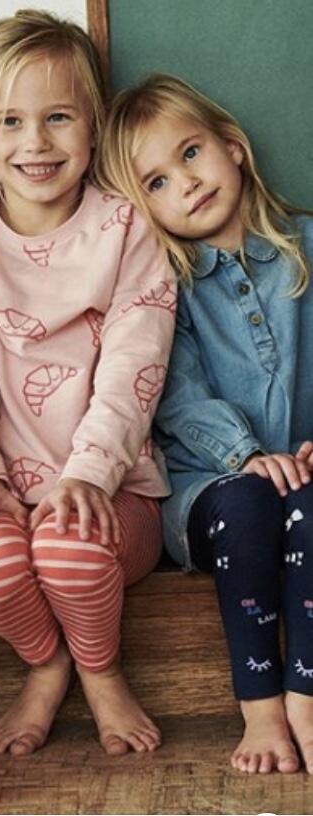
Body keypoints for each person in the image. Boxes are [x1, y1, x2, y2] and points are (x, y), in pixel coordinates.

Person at [0, 9, 176, 758]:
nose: (35, 142)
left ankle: (98, 669)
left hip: (115, 488)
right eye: (11, 121)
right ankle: (45, 662)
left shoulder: (124, 226)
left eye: (58, 117)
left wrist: (88, 475)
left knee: (69, 550)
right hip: (0, 485)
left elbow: (134, 363)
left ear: (94, 124)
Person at [99, 73, 313, 775]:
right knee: (249, 504)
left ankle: (306, 698)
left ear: (232, 146)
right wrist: (244, 453)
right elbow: (174, 394)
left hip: (306, 477)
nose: (185, 183)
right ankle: (260, 707)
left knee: (311, 508)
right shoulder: (165, 287)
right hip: (209, 489)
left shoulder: (307, 247)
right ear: (143, 210)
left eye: (190, 154)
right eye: (156, 182)